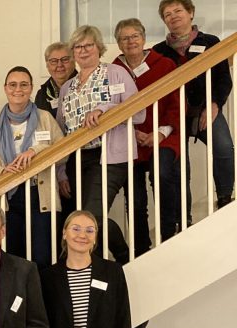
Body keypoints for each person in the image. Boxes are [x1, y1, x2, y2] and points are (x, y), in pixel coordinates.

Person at [56, 25, 145, 264]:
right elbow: (60, 135)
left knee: (91, 217)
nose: (83, 51)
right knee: (83, 218)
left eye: (88, 45)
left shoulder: (116, 73)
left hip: (109, 156)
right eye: (78, 46)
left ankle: (124, 257)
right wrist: (61, 171)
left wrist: (104, 109)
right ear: (73, 52)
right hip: (77, 160)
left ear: (99, 47)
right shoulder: (67, 88)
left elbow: (140, 114)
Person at [0, 66, 65, 268]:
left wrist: (35, 150)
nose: (18, 89)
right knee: (12, 259)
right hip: (7, 198)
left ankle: (40, 300)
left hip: (40, 196)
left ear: (31, 88)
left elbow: (63, 152)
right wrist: (1, 172)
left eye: (24, 84)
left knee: (43, 257)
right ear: (5, 88)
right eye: (13, 85)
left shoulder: (44, 118)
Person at [153, 0, 234, 210]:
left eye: (178, 10)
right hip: (173, 116)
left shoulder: (211, 42)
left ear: (190, 13)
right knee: (180, 166)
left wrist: (215, 104)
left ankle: (225, 199)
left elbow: (224, 79)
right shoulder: (158, 51)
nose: (173, 16)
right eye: (167, 14)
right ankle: (184, 217)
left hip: (204, 110)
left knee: (224, 148)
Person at [113, 18, 182, 256]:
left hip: (162, 136)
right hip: (127, 139)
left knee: (163, 174)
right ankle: (141, 249)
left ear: (143, 39)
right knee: (135, 198)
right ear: (118, 44)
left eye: (134, 36)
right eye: (124, 38)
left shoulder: (164, 65)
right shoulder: (112, 71)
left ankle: (168, 235)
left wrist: (160, 133)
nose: (130, 41)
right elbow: (109, 108)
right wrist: (132, 132)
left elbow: (176, 103)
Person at [34, 42, 77, 118]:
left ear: (74, 61)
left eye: (65, 59)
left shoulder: (85, 85)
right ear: (47, 65)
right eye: (54, 61)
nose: (59, 65)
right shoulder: (42, 94)